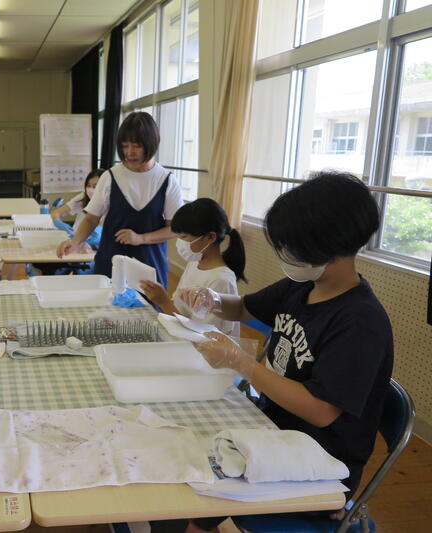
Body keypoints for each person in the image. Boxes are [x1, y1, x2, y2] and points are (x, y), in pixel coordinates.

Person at [178, 171, 393, 533]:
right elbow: (243, 307)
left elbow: (320, 411)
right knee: (188, 443)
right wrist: (213, 300)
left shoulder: (360, 322)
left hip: (319, 459)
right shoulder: (301, 286)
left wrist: (241, 363)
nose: (284, 254)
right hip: (274, 426)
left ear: (328, 245)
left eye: (291, 246)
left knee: (203, 488)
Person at [57, 112, 183, 286]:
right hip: (111, 262)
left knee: (149, 303)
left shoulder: (167, 180)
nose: (129, 152)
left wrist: (142, 238)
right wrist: (75, 242)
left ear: (152, 143)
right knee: (106, 301)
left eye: (137, 146)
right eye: (125, 146)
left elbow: (174, 228)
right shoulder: (110, 176)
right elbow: (91, 218)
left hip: (150, 265)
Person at [140, 198, 246, 336]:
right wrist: (162, 299)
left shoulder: (221, 280)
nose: (179, 243)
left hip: (202, 346)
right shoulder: (195, 262)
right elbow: (180, 308)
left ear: (210, 237)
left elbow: (202, 336)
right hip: (182, 336)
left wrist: (164, 302)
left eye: (184, 237)